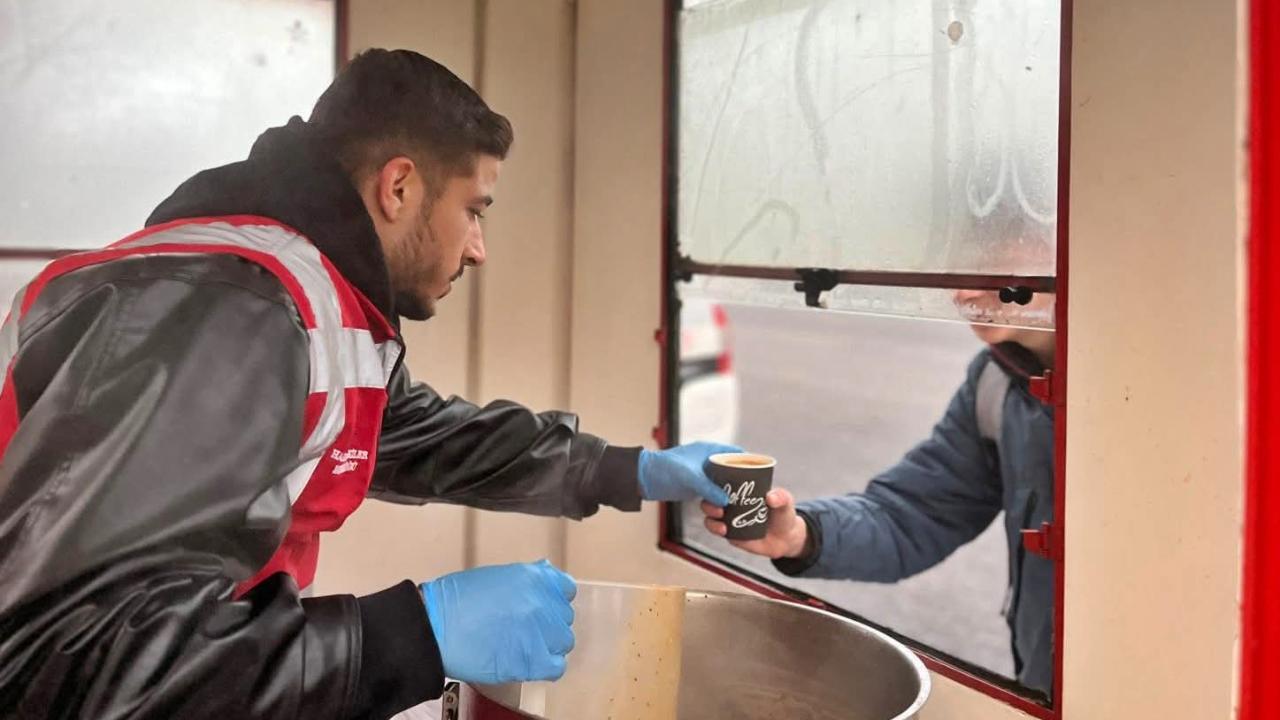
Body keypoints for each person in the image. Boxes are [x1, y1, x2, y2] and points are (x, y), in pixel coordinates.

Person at [0, 49, 736, 719]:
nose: (479, 248)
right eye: (475, 210)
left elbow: (422, 434)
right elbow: (93, 671)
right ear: (400, 187)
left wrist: (627, 470)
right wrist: (414, 634)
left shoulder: (300, 296)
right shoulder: (232, 312)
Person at [701, 287, 1056, 697]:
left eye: (996, 257)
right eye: (960, 265)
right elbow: (910, 515)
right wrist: (802, 535)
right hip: (1040, 685)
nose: (964, 292)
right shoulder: (996, 384)